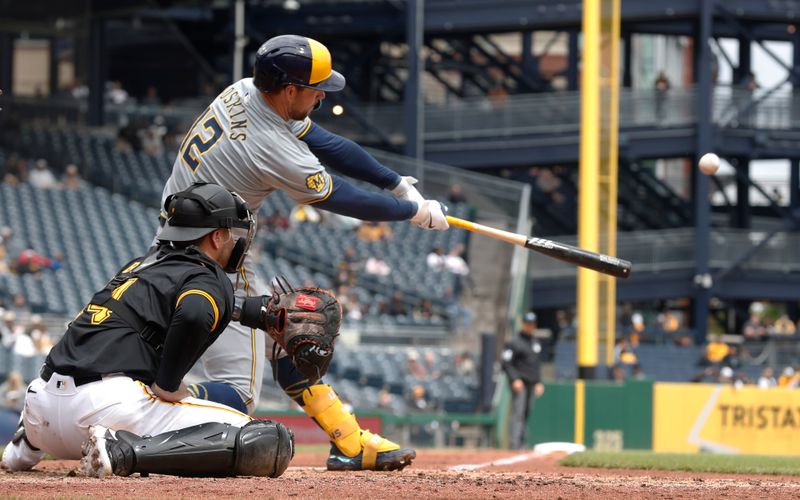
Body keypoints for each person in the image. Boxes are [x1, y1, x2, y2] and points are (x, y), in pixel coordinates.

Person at [157, 34, 443, 471]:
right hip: (215, 260)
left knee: (290, 329)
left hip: (177, 243)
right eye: (316, 91)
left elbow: (325, 143)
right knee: (238, 395)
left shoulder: (245, 91)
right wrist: (412, 211)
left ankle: (348, 441)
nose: (321, 99)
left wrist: (395, 181)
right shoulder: (270, 145)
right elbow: (340, 197)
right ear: (290, 89)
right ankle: (141, 417)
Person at [0, 183, 294, 478]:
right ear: (216, 237)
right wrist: (167, 384)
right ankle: (122, 451)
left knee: (219, 402)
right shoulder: (207, 275)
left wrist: (255, 313)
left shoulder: (139, 267)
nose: (234, 240)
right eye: (230, 232)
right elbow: (193, 314)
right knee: (270, 440)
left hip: (41, 407)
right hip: (106, 410)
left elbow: (169, 307)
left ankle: (20, 450)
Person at [501, 312, 544, 450]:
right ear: (523, 324)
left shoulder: (535, 342)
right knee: (518, 412)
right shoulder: (514, 342)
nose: (530, 326)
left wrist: (539, 381)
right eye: (528, 323)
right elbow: (506, 363)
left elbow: (536, 364)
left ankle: (521, 442)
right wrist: (515, 379)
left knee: (526, 412)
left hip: (532, 382)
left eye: (532, 323)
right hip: (520, 382)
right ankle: (515, 444)